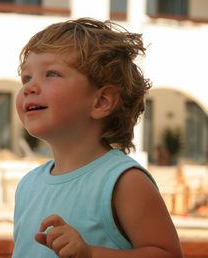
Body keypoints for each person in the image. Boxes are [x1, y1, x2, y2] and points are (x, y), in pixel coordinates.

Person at [12, 18, 183, 258]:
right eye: (26, 78)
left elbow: (168, 254)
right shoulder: (27, 186)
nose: (29, 88)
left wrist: (91, 253)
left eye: (51, 73)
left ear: (101, 101)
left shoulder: (123, 182)